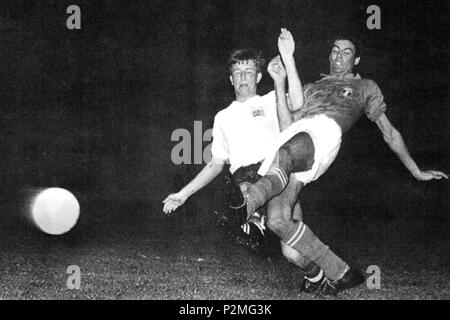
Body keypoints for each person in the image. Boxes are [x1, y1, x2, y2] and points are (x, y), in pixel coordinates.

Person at [241, 30, 448, 295]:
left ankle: (247, 204)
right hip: (293, 143)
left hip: (325, 133)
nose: (339, 55)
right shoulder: (311, 87)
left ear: (357, 59)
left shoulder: (366, 87)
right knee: (278, 221)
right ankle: (340, 272)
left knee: (283, 160)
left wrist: (416, 170)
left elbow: (390, 133)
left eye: (347, 51)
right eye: (335, 50)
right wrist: (280, 80)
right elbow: (286, 127)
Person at [163, 33, 352, 295]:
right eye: (237, 72)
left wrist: (284, 70)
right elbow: (215, 164)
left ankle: (317, 275)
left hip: (279, 173)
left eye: (249, 71)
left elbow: (297, 105)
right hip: (245, 178)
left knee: (292, 252)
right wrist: (183, 194)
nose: (243, 77)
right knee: (243, 190)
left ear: (258, 77)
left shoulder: (270, 100)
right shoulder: (222, 117)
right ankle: (250, 218)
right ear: (230, 79)